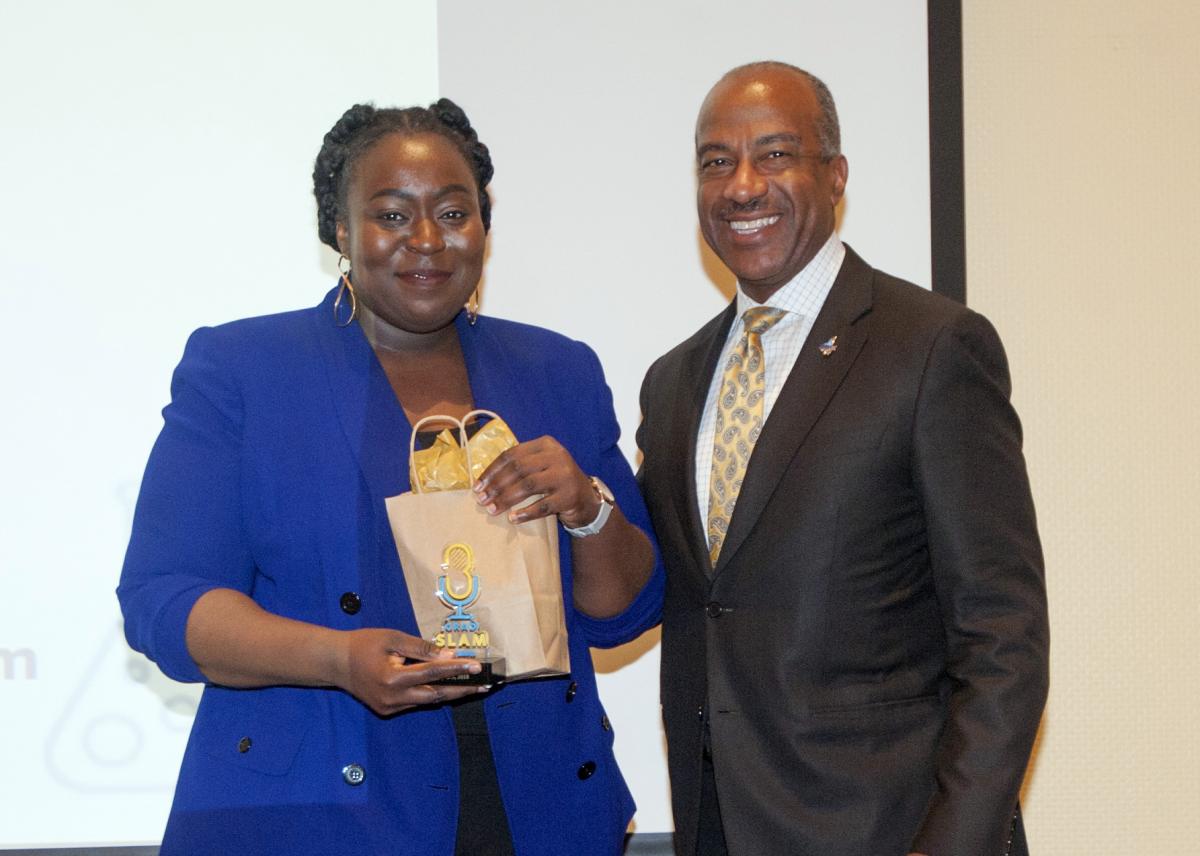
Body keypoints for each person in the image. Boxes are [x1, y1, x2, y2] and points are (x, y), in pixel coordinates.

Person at [118, 98, 663, 856]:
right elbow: (164, 604)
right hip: (315, 814)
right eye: (393, 215)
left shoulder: (557, 369)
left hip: (534, 813)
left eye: (453, 211)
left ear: (484, 226)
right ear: (340, 231)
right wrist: (338, 660)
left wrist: (588, 508)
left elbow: (623, 613)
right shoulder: (245, 370)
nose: (429, 240)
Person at [636, 62, 1049, 856]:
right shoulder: (674, 380)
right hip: (719, 828)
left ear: (836, 175)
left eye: (776, 155)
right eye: (715, 162)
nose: (742, 186)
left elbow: (1003, 635)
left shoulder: (931, 348)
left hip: (889, 830)